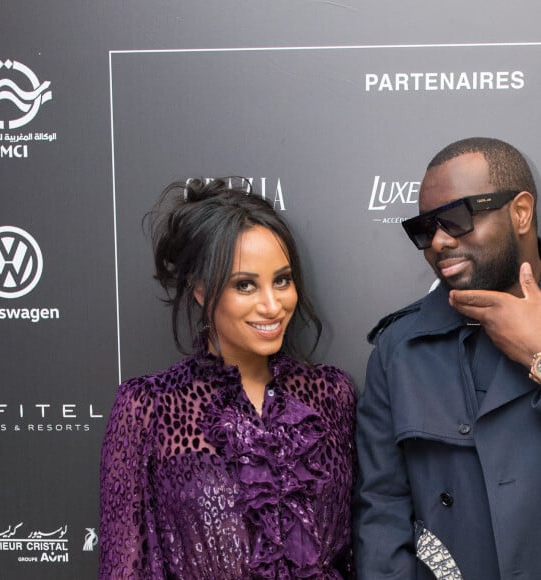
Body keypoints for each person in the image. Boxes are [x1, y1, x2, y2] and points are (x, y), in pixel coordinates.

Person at [99, 177, 357, 579]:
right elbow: (122, 567)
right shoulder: (148, 406)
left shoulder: (330, 395)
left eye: (282, 280)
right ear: (201, 289)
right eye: (245, 285)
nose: (272, 305)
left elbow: (358, 551)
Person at [354, 137, 541, 580]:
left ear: (520, 212)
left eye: (457, 218)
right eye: (424, 229)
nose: (437, 242)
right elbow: (381, 514)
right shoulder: (399, 349)